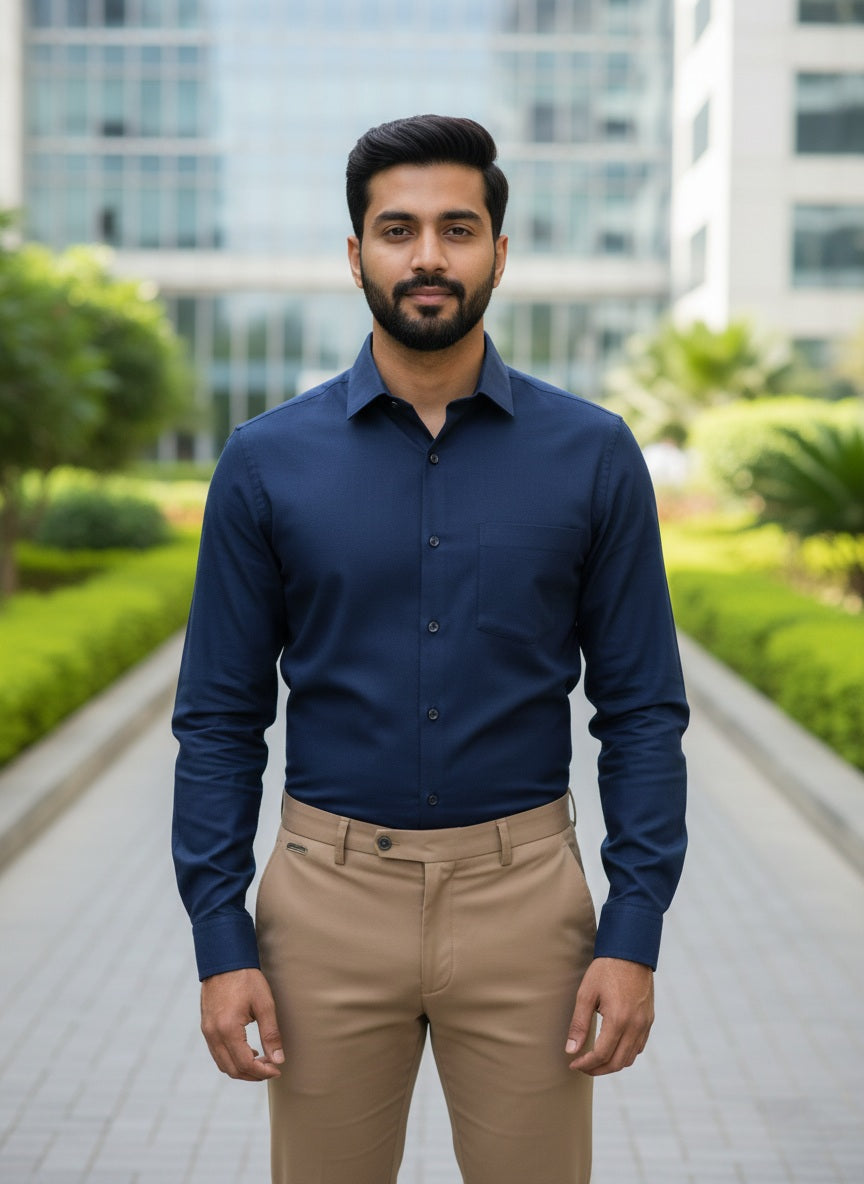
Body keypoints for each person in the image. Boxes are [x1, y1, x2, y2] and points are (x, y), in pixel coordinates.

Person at [172, 114, 688, 1184]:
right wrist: (221, 939)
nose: (428, 257)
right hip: (324, 906)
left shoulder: (593, 454)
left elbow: (642, 711)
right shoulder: (265, 461)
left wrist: (632, 929)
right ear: (355, 253)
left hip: (527, 903)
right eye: (397, 229)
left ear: (499, 251)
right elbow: (220, 719)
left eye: (458, 229)